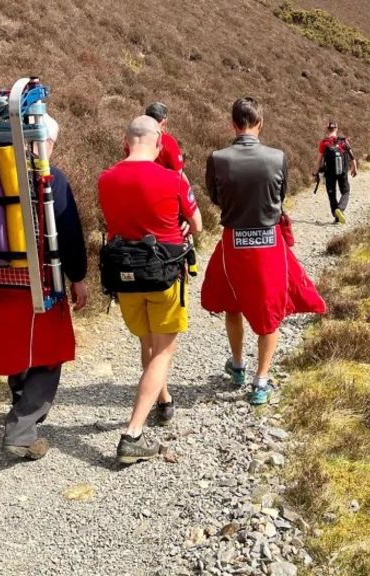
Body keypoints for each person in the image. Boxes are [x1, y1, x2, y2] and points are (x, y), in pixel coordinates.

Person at [0, 114, 88, 461]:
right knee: (50, 351)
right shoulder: (50, 178)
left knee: (13, 339)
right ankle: (22, 429)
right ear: (45, 141)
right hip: (36, 281)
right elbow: (67, 232)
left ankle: (20, 396)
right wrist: (78, 277)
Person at [201, 97, 326, 406]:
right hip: (270, 242)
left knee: (233, 302)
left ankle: (238, 365)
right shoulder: (277, 157)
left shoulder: (218, 158)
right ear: (260, 123)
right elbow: (280, 195)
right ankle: (261, 381)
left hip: (234, 241)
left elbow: (215, 196)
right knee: (270, 311)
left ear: (233, 124)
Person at [99, 116, 203, 464]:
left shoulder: (105, 179)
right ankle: (132, 434)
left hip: (124, 277)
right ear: (159, 143)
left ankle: (163, 402)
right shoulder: (172, 179)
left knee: (147, 344)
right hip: (162, 275)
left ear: (126, 142)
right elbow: (198, 226)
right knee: (164, 351)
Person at [144, 102, 198, 278]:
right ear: (164, 121)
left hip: (142, 194)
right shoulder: (168, 142)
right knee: (179, 230)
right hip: (167, 195)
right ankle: (186, 262)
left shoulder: (134, 140)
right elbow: (179, 175)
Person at [315, 122, 358, 224]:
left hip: (329, 172)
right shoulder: (343, 141)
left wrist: (315, 172)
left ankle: (336, 216)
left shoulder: (324, 142)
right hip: (342, 171)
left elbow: (319, 160)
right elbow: (351, 156)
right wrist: (354, 167)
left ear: (327, 129)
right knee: (345, 191)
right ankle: (340, 209)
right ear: (336, 128)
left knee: (332, 194)